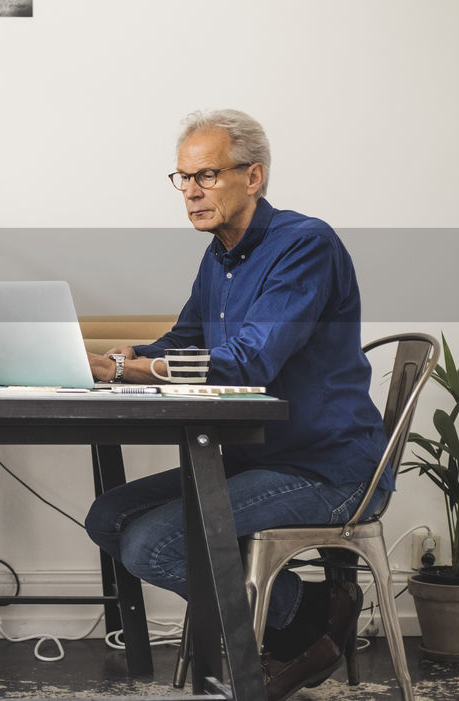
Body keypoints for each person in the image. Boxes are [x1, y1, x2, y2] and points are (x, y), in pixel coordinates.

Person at [84, 110, 385, 701]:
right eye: (183, 178)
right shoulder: (220, 255)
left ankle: (306, 620)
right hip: (258, 459)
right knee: (109, 517)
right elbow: (187, 340)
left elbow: (251, 362)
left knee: (152, 544)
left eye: (207, 175)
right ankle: (311, 606)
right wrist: (130, 354)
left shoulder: (304, 245)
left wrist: (134, 369)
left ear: (253, 177)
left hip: (328, 467)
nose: (191, 191)